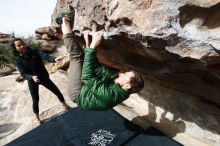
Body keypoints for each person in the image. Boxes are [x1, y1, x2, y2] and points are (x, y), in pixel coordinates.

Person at [57, 9, 144, 110]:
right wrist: (89, 48)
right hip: (90, 86)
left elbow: (87, 77)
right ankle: (64, 26)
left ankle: (64, 19)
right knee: (85, 56)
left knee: (76, 56)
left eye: (125, 75)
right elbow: (99, 69)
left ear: (127, 86)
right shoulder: (121, 84)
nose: (121, 73)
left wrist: (93, 45)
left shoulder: (109, 96)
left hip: (78, 93)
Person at [11, 38, 69, 123]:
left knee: (56, 90)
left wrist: (54, 59)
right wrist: (32, 77)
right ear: (15, 48)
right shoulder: (18, 60)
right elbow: (23, 73)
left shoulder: (34, 51)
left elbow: (46, 56)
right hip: (32, 81)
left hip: (43, 77)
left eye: (22, 43)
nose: (22, 46)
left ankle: (65, 105)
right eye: (18, 45)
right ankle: (38, 119)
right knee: (35, 100)